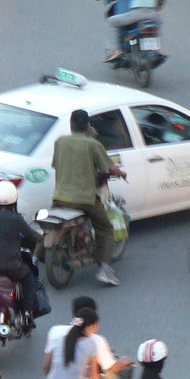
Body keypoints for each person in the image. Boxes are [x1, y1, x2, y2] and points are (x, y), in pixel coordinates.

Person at [48, 109, 126, 286]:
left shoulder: (60, 142)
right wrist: (121, 172)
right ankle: (105, 270)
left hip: (59, 197)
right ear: (88, 125)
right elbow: (108, 168)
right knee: (106, 228)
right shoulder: (93, 144)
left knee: (49, 226)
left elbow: (55, 164)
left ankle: (36, 258)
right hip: (85, 200)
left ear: (71, 125)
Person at [0, 180, 41, 319]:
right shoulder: (16, 219)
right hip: (10, 268)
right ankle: (28, 313)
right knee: (28, 275)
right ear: (14, 200)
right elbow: (33, 237)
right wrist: (40, 235)